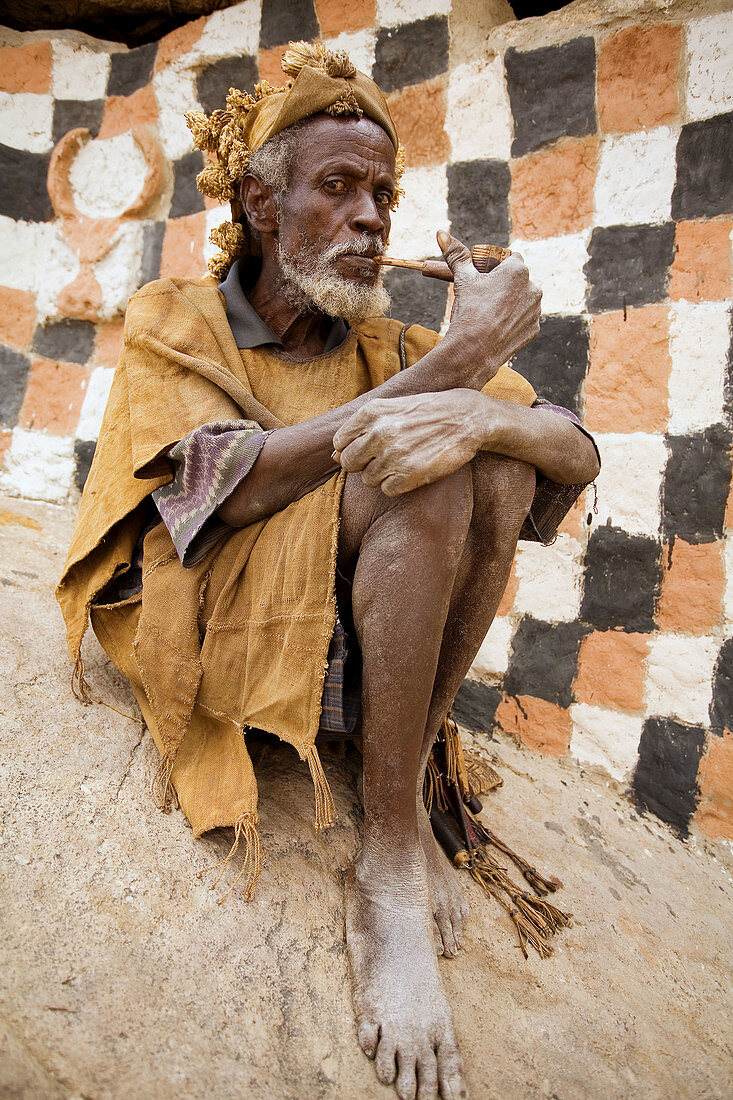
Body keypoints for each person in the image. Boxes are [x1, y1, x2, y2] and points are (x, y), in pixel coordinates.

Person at [57, 42, 600, 1100]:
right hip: (222, 616)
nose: (371, 219)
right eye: (337, 188)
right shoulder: (180, 316)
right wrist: (457, 366)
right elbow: (228, 490)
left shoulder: (386, 344)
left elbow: (574, 451)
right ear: (263, 204)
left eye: (383, 194)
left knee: (475, 455)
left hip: (348, 632)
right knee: (424, 462)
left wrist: (484, 406)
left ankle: (391, 809)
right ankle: (389, 851)